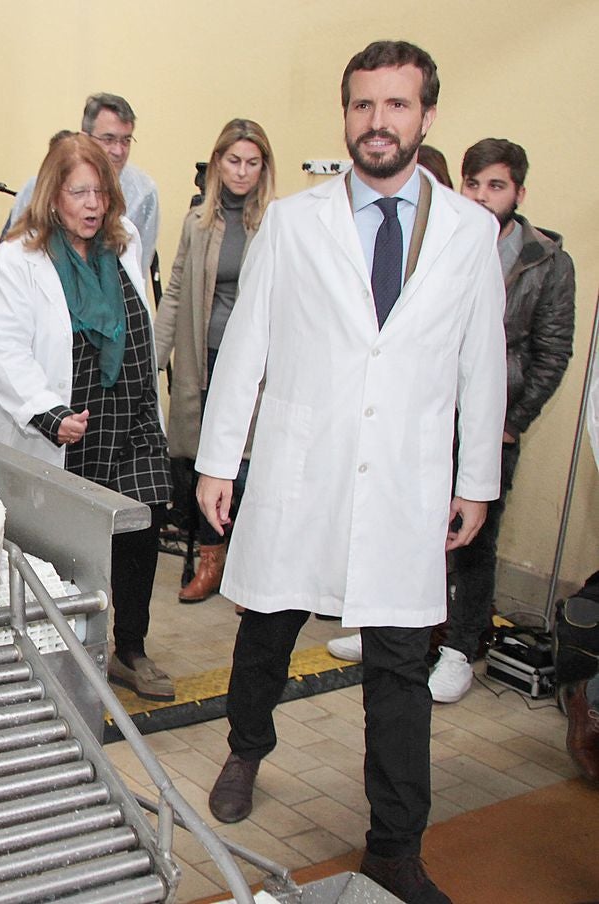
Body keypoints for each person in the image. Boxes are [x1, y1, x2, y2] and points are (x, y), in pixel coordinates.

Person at [194, 42, 505, 904]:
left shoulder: (471, 234)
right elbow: (245, 347)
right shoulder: (294, 223)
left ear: (427, 117)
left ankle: (395, 847)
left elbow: (484, 365)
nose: (379, 122)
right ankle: (246, 747)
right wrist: (220, 460)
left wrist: (475, 479)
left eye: (397, 106)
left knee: (401, 669)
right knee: (267, 629)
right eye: (364, 106)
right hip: (304, 467)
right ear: (346, 116)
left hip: (406, 481)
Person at [326, 139, 576, 707]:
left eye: (497, 186)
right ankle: (387, 627)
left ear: (519, 192)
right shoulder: (447, 233)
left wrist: (509, 421)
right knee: (403, 522)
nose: (484, 197)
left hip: (495, 421)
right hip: (427, 414)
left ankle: (461, 647)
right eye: (474, 184)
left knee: (473, 539)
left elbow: (551, 352)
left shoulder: (546, 261)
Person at [0, 133, 174, 701]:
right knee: (66, 543)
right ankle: (61, 649)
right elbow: (3, 347)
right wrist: (49, 412)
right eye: (77, 191)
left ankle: (129, 650)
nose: (91, 204)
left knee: (140, 527)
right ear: (52, 195)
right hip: (65, 424)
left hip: (128, 416)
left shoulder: (124, 241)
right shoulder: (21, 257)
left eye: (100, 192)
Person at [153, 119, 276, 603]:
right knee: (210, 460)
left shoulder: (277, 222)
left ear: (264, 167)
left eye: (252, 163)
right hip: (205, 359)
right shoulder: (198, 222)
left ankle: (252, 562)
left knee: (250, 464)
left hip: (260, 367)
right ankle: (211, 555)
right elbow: (178, 289)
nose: (242, 173)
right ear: (217, 163)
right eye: (233, 161)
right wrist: (152, 359)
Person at [6, 94, 160, 276]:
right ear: (84, 137)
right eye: (109, 139)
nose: (119, 151)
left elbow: (137, 272)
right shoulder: (37, 187)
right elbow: (16, 253)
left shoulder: (144, 193)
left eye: (126, 140)